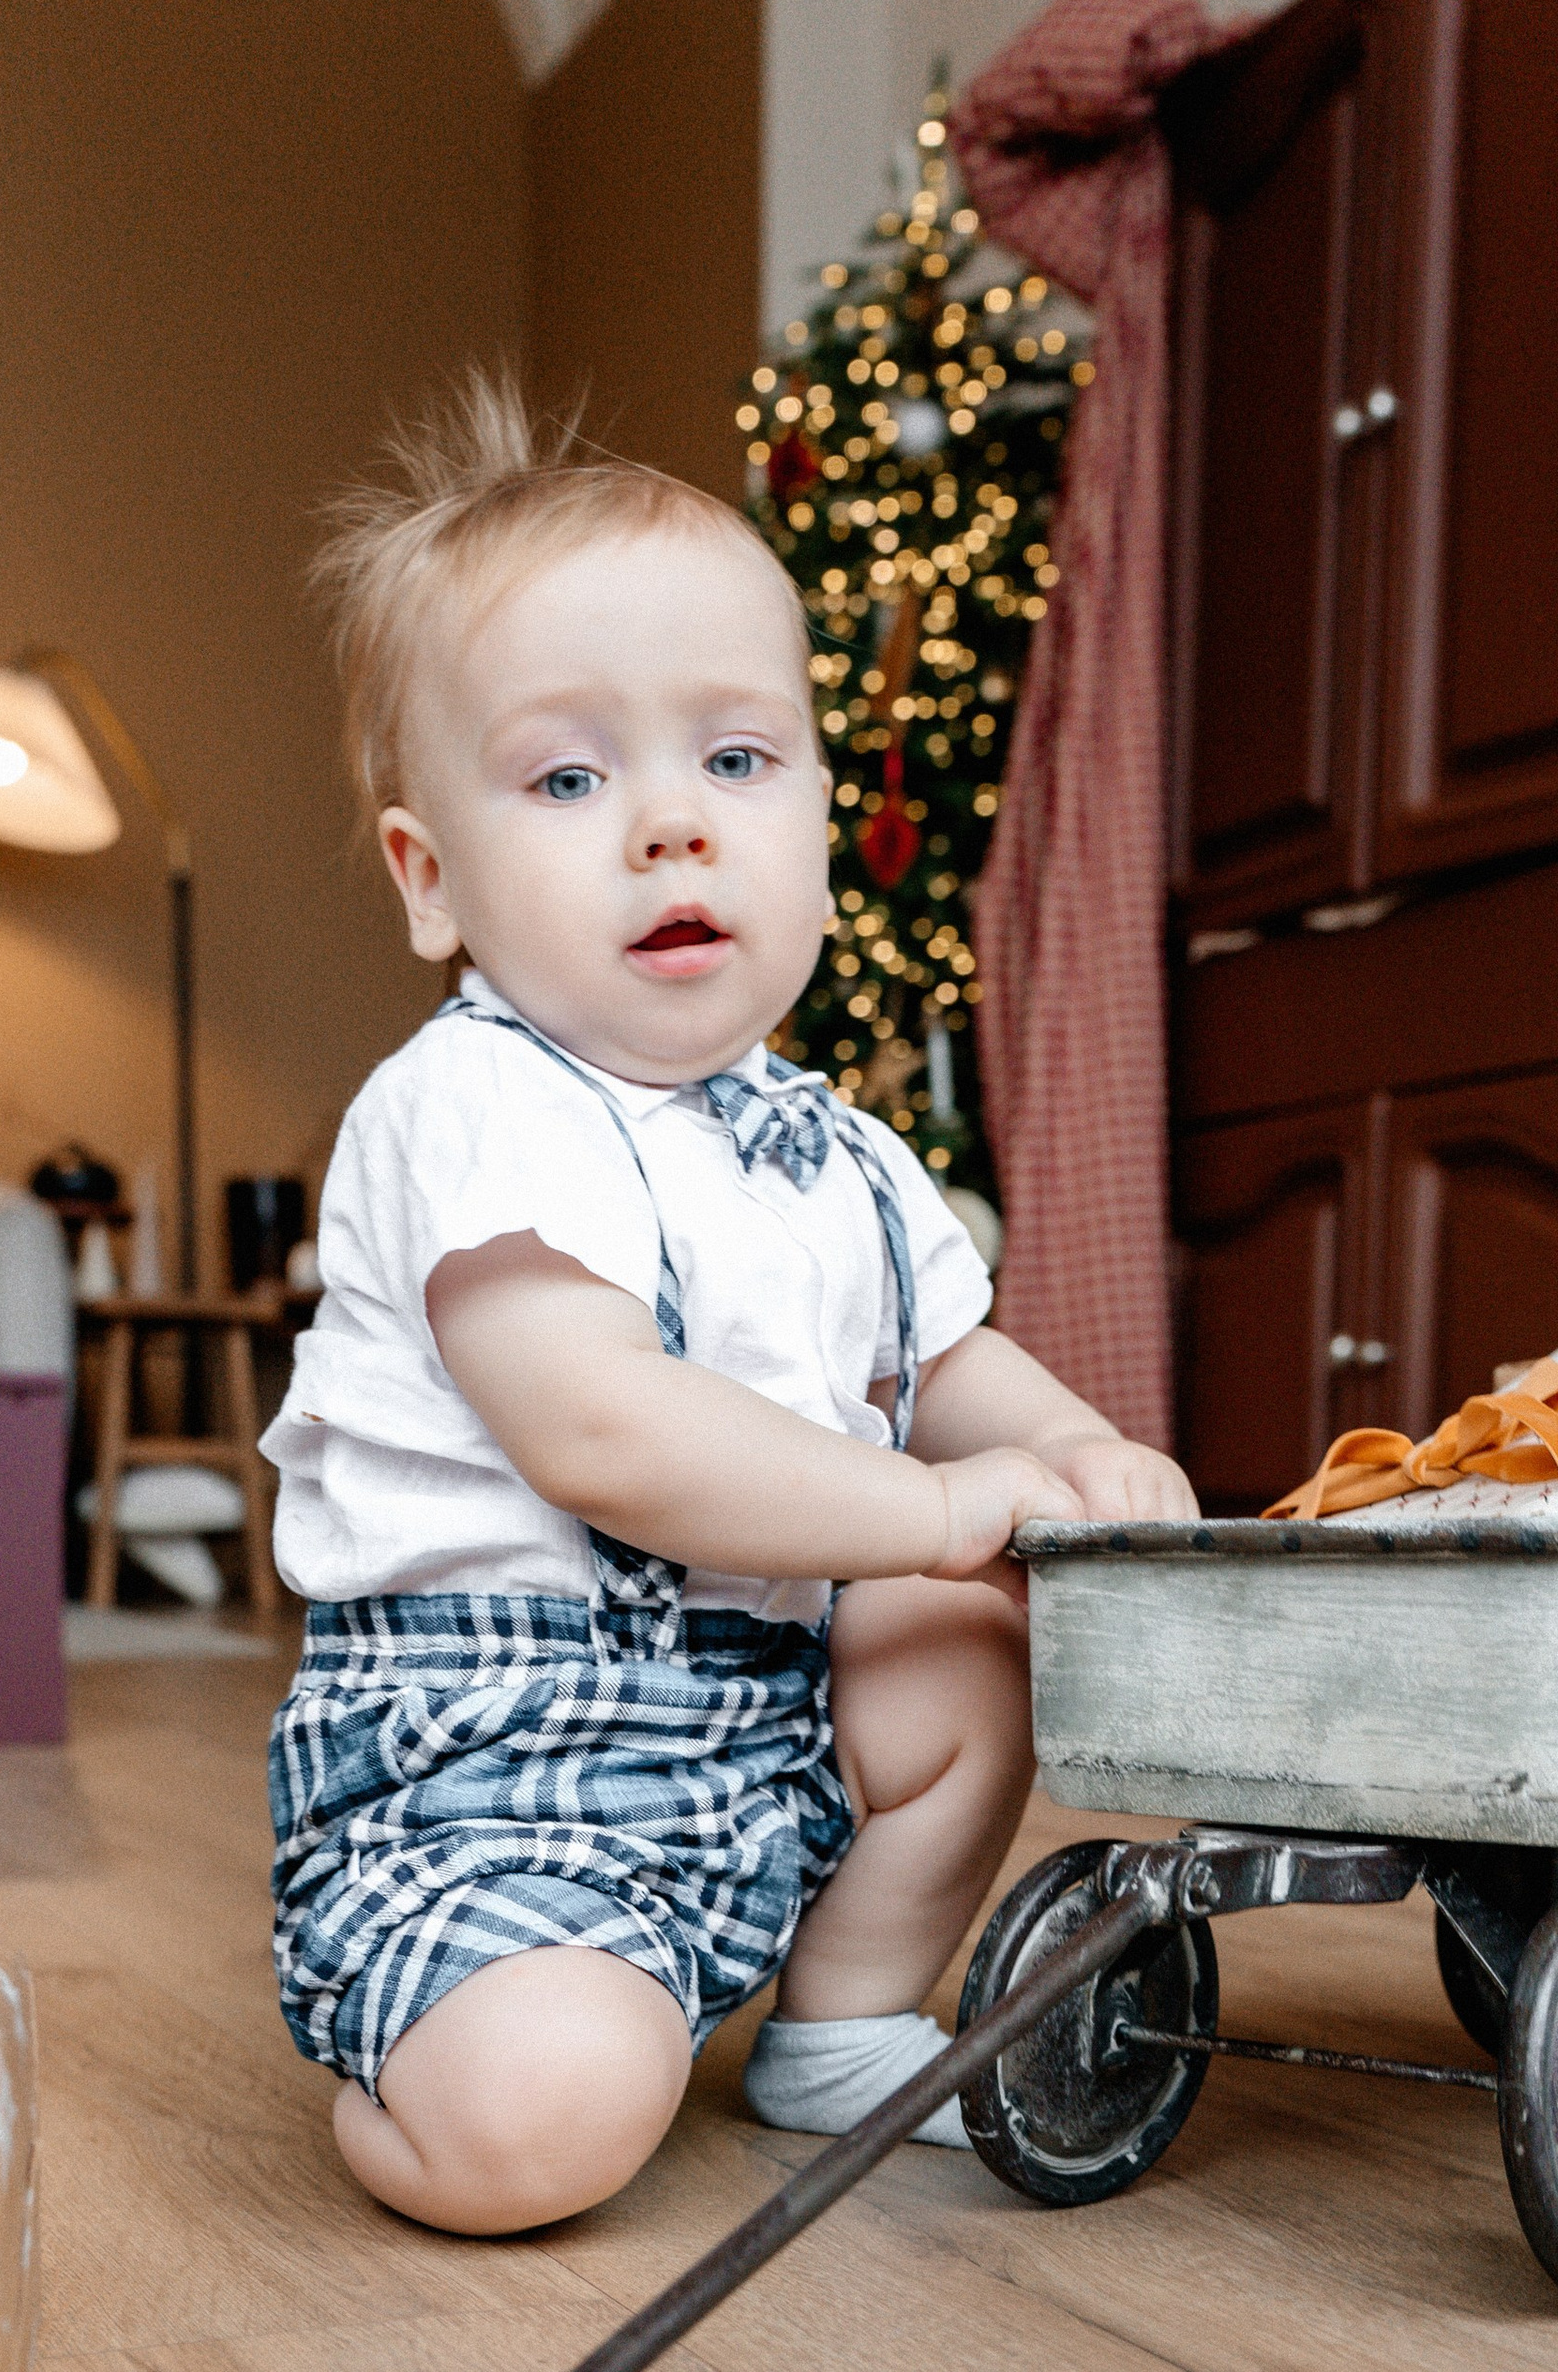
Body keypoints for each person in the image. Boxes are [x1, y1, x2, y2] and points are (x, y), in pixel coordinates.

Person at [264, 375, 1195, 2236]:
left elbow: (944, 1363)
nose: (671, 828)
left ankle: (838, 2021)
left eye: (737, 763)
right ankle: (426, 2069)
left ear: (822, 823)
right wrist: (935, 1511)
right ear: (430, 880)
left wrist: (1075, 1453)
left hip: (768, 1737)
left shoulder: (829, 1149)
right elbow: (603, 1426)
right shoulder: (473, 1108)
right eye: (569, 778)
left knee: (964, 1646)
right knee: (548, 2127)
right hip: (498, 1771)